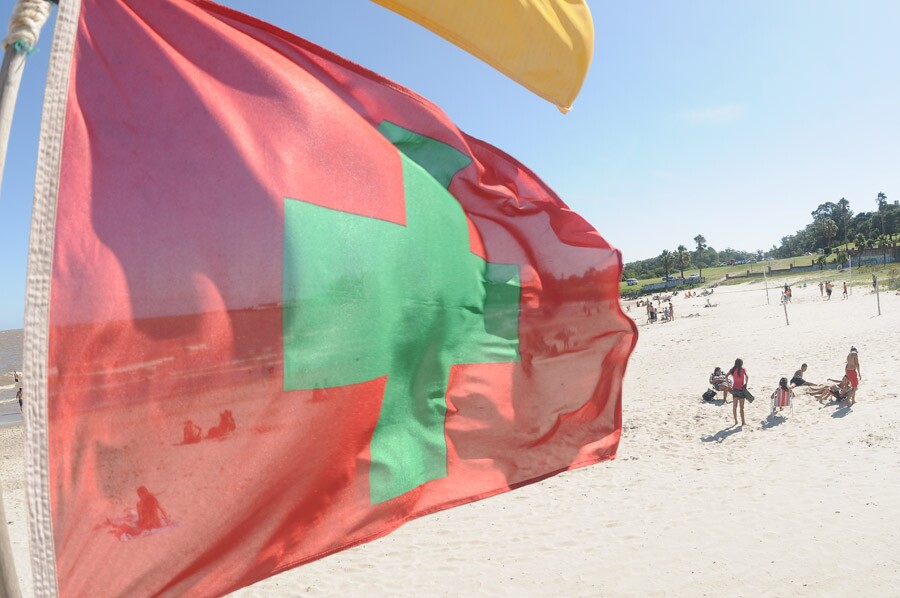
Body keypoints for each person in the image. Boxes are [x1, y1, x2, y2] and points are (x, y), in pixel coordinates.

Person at [728, 358, 749, 426]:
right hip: (741, 390)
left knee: (734, 406)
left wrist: (729, 385)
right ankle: (743, 422)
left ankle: (736, 421)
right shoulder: (743, 369)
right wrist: (746, 384)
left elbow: (726, 377)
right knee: (741, 407)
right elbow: (747, 376)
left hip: (735, 390)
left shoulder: (732, 370)